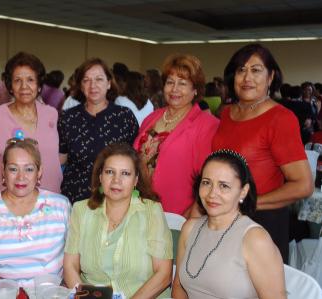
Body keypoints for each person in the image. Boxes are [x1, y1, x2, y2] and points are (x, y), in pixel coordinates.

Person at [212, 43, 313, 263]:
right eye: (241, 70)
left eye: (256, 70)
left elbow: (303, 184)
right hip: (222, 219)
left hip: (262, 223)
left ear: (270, 77)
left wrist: (248, 202)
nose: (247, 77)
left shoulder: (280, 119)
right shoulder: (227, 113)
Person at [173, 149, 286, 299]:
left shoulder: (255, 239)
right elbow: (178, 290)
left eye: (224, 186)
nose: (212, 194)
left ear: (243, 191)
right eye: (206, 183)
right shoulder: (190, 228)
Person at [64, 143, 172, 298]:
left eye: (125, 173)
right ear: (100, 176)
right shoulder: (81, 210)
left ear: (135, 180)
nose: (116, 180)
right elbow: (70, 267)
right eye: (110, 172)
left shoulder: (151, 211)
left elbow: (163, 274)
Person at [0, 138, 70, 289]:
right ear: (3, 170)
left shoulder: (61, 206)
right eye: (13, 169)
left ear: (40, 172)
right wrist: (10, 290)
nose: (21, 177)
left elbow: (74, 260)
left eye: (29, 169)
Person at [134, 54, 219, 217]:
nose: (174, 89)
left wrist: (190, 217)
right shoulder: (151, 118)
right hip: (139, 210)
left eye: (183, 83)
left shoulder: (207, 125)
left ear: (195, 90)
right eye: (170, 82)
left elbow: (210, 178)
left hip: (177, 215)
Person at [0, 51, 62, 198]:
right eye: (17, 80)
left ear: (39, 85)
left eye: (30, 80)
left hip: (50, 205)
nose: (24, 86)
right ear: (10, 86)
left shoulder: (51, 115)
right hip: (8, 209)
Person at [58, 58, 138, 203]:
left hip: (114, 197)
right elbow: (60, 159)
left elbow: (134, 160)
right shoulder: (68, 118)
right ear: (81, 86)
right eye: (86, 80)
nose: (92, 85)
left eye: (99, 79)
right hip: (75, 198)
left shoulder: (124, 117)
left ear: (108, 83)